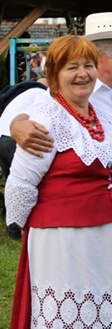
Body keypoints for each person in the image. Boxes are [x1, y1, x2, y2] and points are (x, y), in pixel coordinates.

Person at [5, 35, 112, 329]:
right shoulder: (47, 118)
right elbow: (21, 181)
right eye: (71, 67)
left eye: (88, 65)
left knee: (103, 314)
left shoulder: (100, 112)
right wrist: (22, 228)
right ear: (54, 75)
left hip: (107, 237)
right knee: (69, 319)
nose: (82, 74)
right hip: (64, 240)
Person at [10, 12, 112, 250]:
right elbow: (37, 116)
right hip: (79, 215)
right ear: (101, 55)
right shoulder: (73, 91)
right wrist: (18, 124)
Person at [0, 80, 48, 240]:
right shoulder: (40, 94)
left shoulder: (18, 97)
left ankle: (11, 228)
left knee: (10, 183)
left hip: (1, 137)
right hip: (15, 138)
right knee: (24, 183)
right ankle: (23, 229)